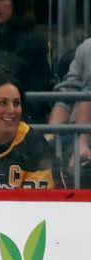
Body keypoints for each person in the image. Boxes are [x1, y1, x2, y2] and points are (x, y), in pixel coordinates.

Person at [0, 75, 63, 189]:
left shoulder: (36, 146)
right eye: (3, 103)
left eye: (16, 103)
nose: (11, 110)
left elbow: (37, 204)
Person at [46, 37, 91, 172]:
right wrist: (49, 136)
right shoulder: (87, 47)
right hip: (73, 134)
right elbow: (67, 96)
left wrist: (82, 144)